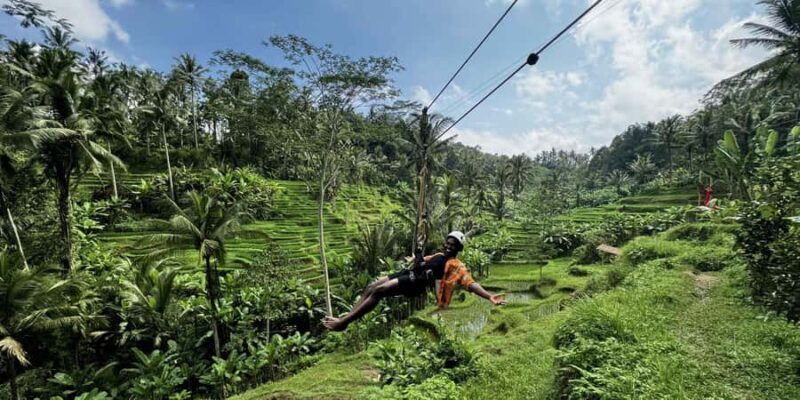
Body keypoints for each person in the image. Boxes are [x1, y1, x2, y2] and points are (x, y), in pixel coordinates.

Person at [323, 231, 506, 331]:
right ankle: (345, 319)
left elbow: (471, 284)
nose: (449, 247)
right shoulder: (439, 255)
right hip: (408, 273)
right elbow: (423, 261)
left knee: (379, 291)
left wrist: (489, 296)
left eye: (453, 245)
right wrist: (415, 257)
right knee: (372, 286)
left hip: (415, 283)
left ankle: (344, 322)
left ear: (459, 249)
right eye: (448, 243)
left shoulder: (456, 266)